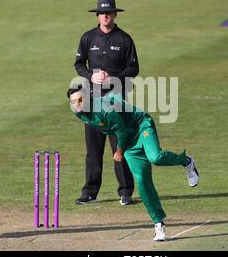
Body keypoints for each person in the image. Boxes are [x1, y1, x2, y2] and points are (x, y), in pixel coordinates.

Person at [67, 86, 199, 241]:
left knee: (155, 157)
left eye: (80, 100)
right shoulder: (79, 113)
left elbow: (121, 131)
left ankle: (186, 161)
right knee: (142, 182)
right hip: (129, 143)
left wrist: (119, 151)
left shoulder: (105, 109)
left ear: (88, 97)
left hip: (141, 126)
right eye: (73, 101)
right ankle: (158, 224)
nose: (77, 104)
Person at [74, 0, 139, 205]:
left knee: (120, 147)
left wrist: (113, 78)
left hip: (116, 100)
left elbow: (133, 68)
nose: (105, 15)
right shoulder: (88, 38)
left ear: (115, 14)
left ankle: (126, 192)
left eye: (109, 12)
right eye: (102, 13)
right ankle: (90, 192)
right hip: (92, 102)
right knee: (93, 151)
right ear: (97, 15)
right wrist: (89, 76)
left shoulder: (124, 39)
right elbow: (78, 63)